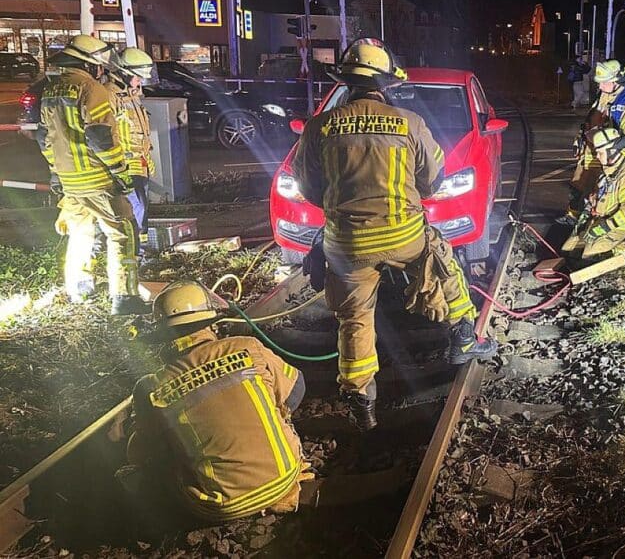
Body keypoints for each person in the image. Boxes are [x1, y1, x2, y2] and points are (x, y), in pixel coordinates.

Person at [290, 38, 497, 431]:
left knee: (354, 316)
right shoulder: (409, 123)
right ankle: (463, 338)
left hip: (347, 243)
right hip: (404, 234)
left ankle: (361, 397)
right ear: (385, 84)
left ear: (347, 82)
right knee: (441, 261)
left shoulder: (320, 126)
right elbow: (433, 181)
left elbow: (307, 186)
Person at [120, 280, 310, 522]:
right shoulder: (247, 347)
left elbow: (140, 454)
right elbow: (296, 390)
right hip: (286, 476)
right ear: (211, 322)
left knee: (148, 468)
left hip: (222, 507)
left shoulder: (150, 387)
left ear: (162, 335)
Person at [37, 34, 144, 315]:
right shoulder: (91, 88)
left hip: (69, 181)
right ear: (90, 64)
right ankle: (124, 297)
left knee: (80, 233)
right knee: (122, 233)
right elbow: (100, 136)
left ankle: (79, 288)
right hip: (97, 179)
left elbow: (44, 138)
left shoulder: (51, 90)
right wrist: (120, 171)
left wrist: (56, 173)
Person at [558, 59, 625, 227]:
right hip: (593, 149)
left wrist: (608, 152)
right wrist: (580, 139)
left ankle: (593, 225)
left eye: (604, 82)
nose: (600, 86)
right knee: (578, 184)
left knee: (600, 193)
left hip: (609, 155)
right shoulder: (604, 95)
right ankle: (572, 216)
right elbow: (591, 119)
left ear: (615, 81)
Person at [561, 126, 625, 262]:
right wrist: (592, 202)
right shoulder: (607, 171)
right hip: (597, 222)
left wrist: (603, 227)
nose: (597, 156)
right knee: (568, 250)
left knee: (587, 256)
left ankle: (623, 247)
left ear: (612, 152)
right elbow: (602, 194)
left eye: (600, 153)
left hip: (615, 228)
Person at [107, 47, 156, 232]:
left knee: (142, 207)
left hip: (140, 162)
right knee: (136, 208)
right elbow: (107, 132)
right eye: (138, 76)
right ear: (124, 73)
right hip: (125, 164)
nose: (140, 81)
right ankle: (138, 245)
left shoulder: (131, 94)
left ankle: (142, 243)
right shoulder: (110, 94)